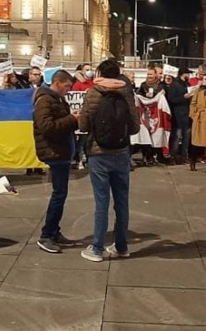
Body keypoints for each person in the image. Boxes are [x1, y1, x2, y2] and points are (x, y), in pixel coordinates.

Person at [78, 59, 139, 262]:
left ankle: (97, 248)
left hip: (98, 152)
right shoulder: (126, 92)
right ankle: (121, 246)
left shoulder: (93, 92)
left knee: (101, 201)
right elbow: (135, 127)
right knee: (122, 201)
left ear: (100, 73)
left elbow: (84, 125)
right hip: (121, 153)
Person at [33, 70, 81, 253]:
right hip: (54, 152)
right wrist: (71, 119)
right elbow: (46, 127)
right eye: (67, 86)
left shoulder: (56, 99)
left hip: (61, 151)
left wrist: (73, 119)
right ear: (58, 82)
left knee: (60, 193)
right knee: (59, 194)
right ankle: (47, 235)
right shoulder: (45, 100)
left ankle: (54, 232)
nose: (69, 90)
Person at [137, 67, 166, 166]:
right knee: (146, 135)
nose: (149, 76)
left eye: (151, 74)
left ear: (155, 75)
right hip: (145, 115)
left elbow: (162, 96)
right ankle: (145, 156)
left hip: (155, 115)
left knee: (155, 136)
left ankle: (153, 156)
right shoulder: (143, 85)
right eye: (148, 74)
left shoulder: (160, 85)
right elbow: (138, 95)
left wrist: (157, 94)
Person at [167, 68, 193, 164]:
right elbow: (171, 99)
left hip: (187, 114)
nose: (189, 76)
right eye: (188, 74)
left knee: (187, 136)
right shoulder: (174, 84)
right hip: (178, 115)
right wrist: (183, 97)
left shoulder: (187, 84)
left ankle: (184, 156)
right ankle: (173, 156)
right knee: (177, 136)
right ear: (183, 74)